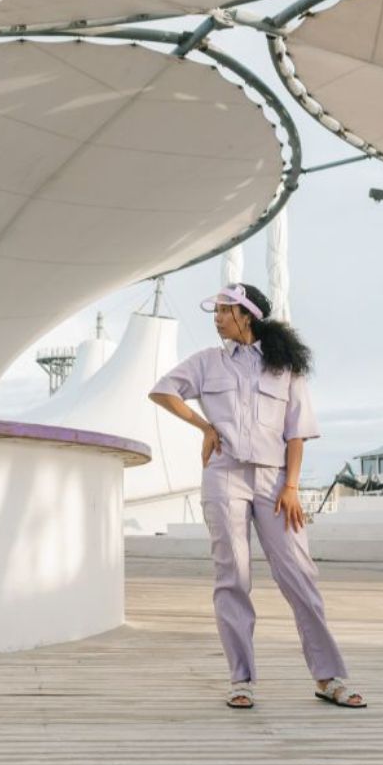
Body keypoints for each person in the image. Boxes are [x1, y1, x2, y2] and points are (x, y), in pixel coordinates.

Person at [149, 282, 366, 710]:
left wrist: (291, 487)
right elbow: (162, 390)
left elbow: (296, 433)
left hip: (274, 482)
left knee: (299, 577)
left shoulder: (284, 366)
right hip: (224, 476)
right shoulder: (207, 362)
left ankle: (329, 676)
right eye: (216, 310)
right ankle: (241, 679)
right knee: (233, 578)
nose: (216, 317)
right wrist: (206, 427)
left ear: (246, 315)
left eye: (224, 310)